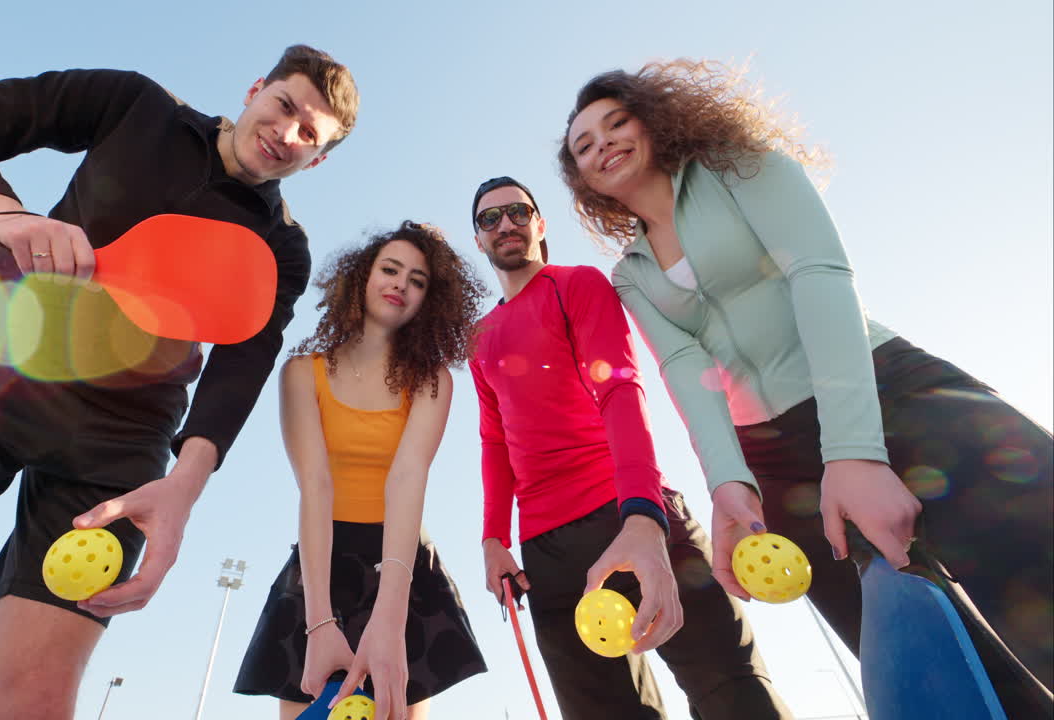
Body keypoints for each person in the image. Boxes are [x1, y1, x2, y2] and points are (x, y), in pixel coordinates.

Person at [0, 45, 359, 720]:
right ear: (256, 88)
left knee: (32, 706)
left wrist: (183, 489)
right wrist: (3, 212)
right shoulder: (136, 104)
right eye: (285, 106)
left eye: (310, 135)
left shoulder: (283, 246)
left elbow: (241, 367)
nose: (287, 133)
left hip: (117, 452)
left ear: (316, 160)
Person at [559, 60, 1053, 716]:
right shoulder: (631, 274)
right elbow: (686, 371)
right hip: (778, 462)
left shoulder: (740, 166)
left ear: (653, 120)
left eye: (615, 123)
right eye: (583, 145)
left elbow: (819, 274)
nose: (602, 145)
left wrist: (854, 449)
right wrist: (730, 489)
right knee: (926, 672)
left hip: (888, 391)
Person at [469, 176, 793, 720]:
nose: (505, 225)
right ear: (478, 239)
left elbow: (619, 388)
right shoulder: (479, 338)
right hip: (548, 548)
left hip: (627, 507)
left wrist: (643, 512)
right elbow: (494, 440)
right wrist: (493, 537)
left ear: (539, 224)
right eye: (489, 218)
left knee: (728, 690)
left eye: (518, 213)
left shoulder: (576, 284)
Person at [233, 222, 489, 720]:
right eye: (390, 269)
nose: (400, 284)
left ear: (430, 299)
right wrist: (319, 621)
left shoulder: (432, 381)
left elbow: (407, 479)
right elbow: (316, 486)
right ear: (360, 278)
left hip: (401, 562)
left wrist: (390, 619)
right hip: (321, 564)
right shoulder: (301, 372)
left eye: (417, 279)